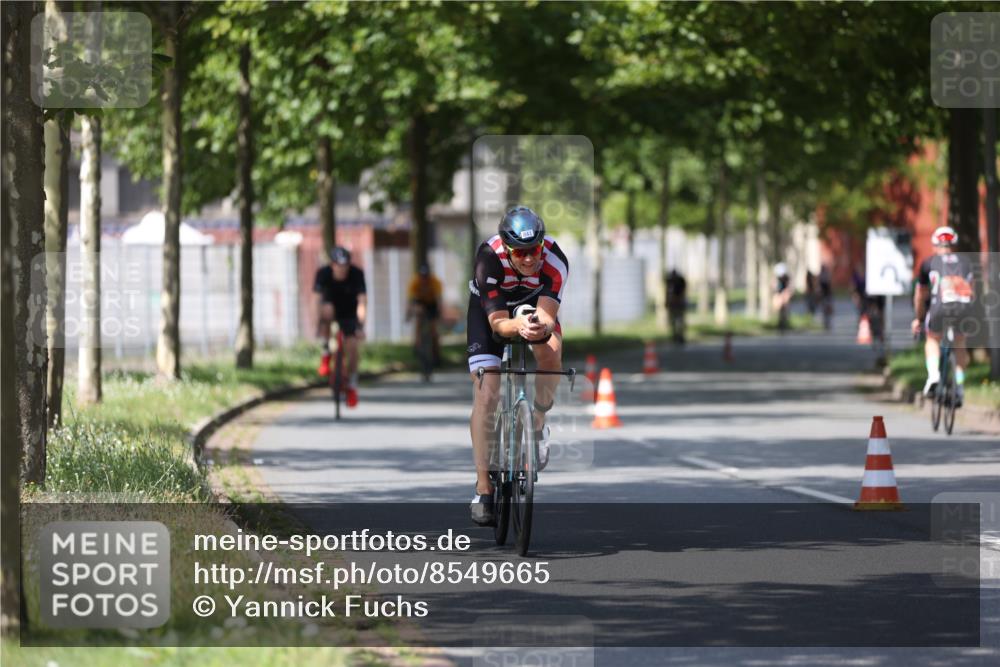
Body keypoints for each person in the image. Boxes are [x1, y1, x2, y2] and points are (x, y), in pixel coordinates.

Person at [467, 206, 569, 526]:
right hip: (492, 313)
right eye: (520, 253)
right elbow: (498, 324)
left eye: (533, 250)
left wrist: (538, 327)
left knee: (552, 352)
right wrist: (516, 325)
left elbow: (548, 316)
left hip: (535, 307)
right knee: (487, 393)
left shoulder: (555, 260)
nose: (528, 259)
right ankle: (484, 487)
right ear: (507, 249)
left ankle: (536, 425)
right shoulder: (489, 258)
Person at [911, 226, 975, 406]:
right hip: (963, 308)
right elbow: (973, 292)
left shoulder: (928, 263)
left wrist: (919, 318)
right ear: (954, 245)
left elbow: (920, 295)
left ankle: (933, 376)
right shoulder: (967, 262)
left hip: (940, 307)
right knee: (960, 343)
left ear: (934, 246)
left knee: (932, 338)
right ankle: (960, 387)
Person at [314, 246, 367, 408]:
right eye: (339, 265)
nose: (342, 269)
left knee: (352, 349)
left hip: (350, 314)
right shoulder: (323, 274)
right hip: (330, 309)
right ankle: (325, 353)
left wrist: (360, 326)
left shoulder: (357, 275)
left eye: (345, 266)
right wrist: (319, 322)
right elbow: (316, 301)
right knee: (327, 311)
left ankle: (352, 385)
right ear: (332, 265)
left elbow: (362, 303)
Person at [406, 263, 443, 366]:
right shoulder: (414, 282)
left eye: (426, 277)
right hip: (420, 302)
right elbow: (410, 301)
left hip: (432, 304)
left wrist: (439, 313)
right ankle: (417, 345)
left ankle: (436, 353)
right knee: (418, 315)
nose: (424, 280)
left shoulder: (435, 282)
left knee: (434, 329)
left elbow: (439, 300)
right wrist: (408, 314)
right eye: (422, 277)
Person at [665, 269, 687, 344]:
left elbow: (683, 292)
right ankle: (675, 336)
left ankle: (680, 336)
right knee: (673, 320)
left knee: (680, 320)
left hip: (679, 303)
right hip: (674, 304)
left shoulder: (681, 281)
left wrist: (677, 300)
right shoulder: (669, 281)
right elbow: (667, 292)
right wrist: (667, 301)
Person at [773, 262, 793, 331]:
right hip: (778, 293)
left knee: (785, 307)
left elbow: (789, 287)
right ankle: (780, 323)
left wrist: (787, 294)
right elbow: (774, 286)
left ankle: (785, 322)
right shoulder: (776, 278)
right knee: (778, 308)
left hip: (784, 293)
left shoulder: (787, 278)